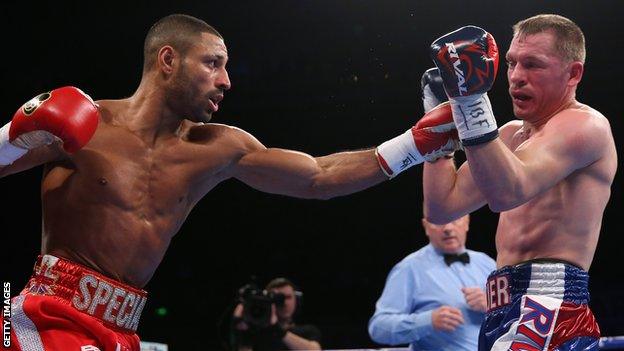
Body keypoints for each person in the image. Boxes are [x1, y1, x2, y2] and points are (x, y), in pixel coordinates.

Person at [0, 14, 460, 351]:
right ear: (167, 60)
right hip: (51, 315)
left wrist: (414, 143)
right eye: (213, 64)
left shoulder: (219, 147)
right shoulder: (86, 124)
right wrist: (11, 134)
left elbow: (318, 176)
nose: (226, 81)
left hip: (121, 330)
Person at [425, 14, 617, 350]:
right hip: (500, 305)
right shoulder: (509, 135)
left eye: (532, 65)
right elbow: (442, 207)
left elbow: (507, 193)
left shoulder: (586, 127)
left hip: (549, 302)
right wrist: (439, 130)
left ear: (573, 73)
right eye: (512, 63)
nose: (516, 77)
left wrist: (469, 104)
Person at [368, 213, 495, 351]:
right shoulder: (409, 268)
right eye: (439, 221)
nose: (447, 228)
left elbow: (517, 316)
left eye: (455, 220)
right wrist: (427, 321)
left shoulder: (487, 263)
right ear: (426, 226)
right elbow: (378, 328)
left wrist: (492, 305)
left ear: (467, 222)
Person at [231, 278, 321, 351]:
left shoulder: (308, 331)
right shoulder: (255, 333)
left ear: (297, 300)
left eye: (288, 297)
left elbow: (315, 350)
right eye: (278, 298)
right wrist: (242, 332)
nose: (284, 303)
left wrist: (276, 329)